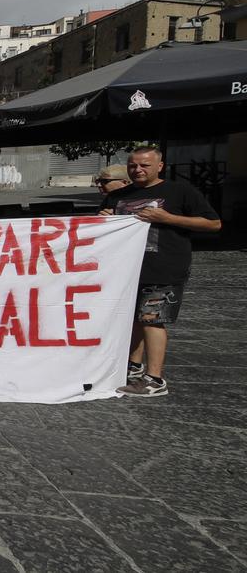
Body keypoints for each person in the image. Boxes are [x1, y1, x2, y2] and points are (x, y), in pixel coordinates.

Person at [99, 146, 221, 397]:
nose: (138, 170)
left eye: (145, 165)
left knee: (152, 320)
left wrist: (169, 219)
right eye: (133, 165)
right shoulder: (117, 196)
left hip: (164, 267)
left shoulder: (180, 191)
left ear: (160, 166)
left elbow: (213, 223)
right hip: (125, 269)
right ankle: (133, 367)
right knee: (131, 318)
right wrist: (101, 218)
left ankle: (155, 379)